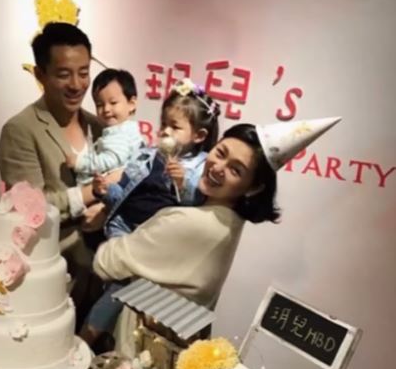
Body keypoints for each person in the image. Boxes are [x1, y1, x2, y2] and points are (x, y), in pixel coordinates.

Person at [92, 117, 341, 355]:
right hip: (171, 347)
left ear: (254, 187)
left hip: (140, 346)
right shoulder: (231, 221)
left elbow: (107, 261)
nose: (218, 168)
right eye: (221, 153)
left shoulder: (189, 222)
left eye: (236, 170)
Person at [80, 79, 221, 348]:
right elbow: (125, 196)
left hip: (155, 245)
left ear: (199, 135)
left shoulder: (199, 169)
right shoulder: (146, 155)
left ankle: (87, 339)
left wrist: (182, 184)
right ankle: (92, 341)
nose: (165, 131)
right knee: (116, 285)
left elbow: (194, 212)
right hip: (124, 228)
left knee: (121, 290)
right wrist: (104, 191)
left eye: (175, 127)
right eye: (163, 124)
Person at [0, 22, 120, 328]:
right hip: (53, 283)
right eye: (64, 74)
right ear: (41, 75)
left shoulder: (101, 127)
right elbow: (30, 209)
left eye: (83, 73)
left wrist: (106, 210)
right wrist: (92, 192)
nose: (77, 85)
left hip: (104, 276)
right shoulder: (20, 130)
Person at [66, 68, 145, 185]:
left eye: (113, 103)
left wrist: (79, 163)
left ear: (131, 104)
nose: (106, 109)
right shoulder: (125, 131)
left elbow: (109, 160)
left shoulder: (121, 134)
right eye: (99, 105)